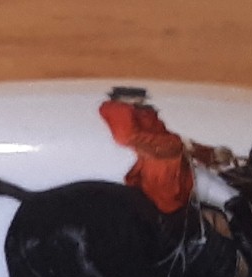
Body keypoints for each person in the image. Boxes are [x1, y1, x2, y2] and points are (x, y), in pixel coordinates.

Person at [97, 85, 233, 215]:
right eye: (139, 98)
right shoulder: (123, 113)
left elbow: (173, 141)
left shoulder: (142, 114)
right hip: (166, 174)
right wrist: (181, 144)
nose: (142, 101)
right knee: (229, 197)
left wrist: (210, 154)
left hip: (168, 169)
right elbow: (129, 137)